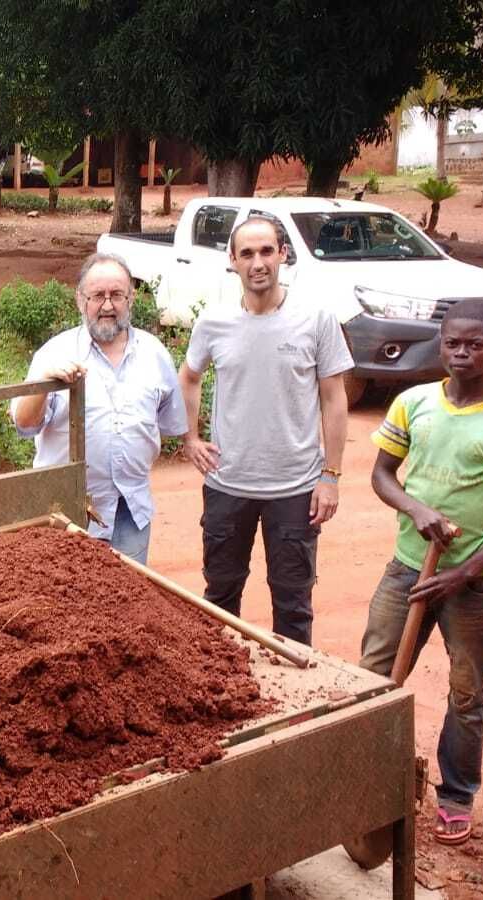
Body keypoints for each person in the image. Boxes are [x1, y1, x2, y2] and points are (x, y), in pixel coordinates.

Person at [359, 298, 483, 846]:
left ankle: (456, 795)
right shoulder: (413, 402)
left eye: (475, 344)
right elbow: (382, 474)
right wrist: (415, 509)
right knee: (372, 678)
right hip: (408, 573)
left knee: (467, 693)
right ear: (440, 343)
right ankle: (364, 781)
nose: (461, 353)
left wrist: (466, 574)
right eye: (452, 343)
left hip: (474, 585)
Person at [178, 216, 352, 645]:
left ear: (283, 255)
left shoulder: (316, 320)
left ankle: (298, 700)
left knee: (293, 602)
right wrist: (190, 438)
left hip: (296, 488)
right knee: (219, 595)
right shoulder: (213, 322)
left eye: (267, 251)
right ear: (232, 261)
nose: (258, 263)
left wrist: (330, 475)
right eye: (248, 253)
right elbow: (189, 377)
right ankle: (219, 687)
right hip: (227, 483)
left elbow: (334, 398)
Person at [10, 253, 187, 564]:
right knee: (63, 600)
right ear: (81, 300)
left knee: (128, 599)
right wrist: (43, 380)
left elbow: (168, 422)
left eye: (117, 295)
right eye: (98, 296)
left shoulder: (155, 354)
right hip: (64, 511)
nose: (108, 306)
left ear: (131, 299)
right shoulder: (55, 353)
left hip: (130, 508)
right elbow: (23, 423)